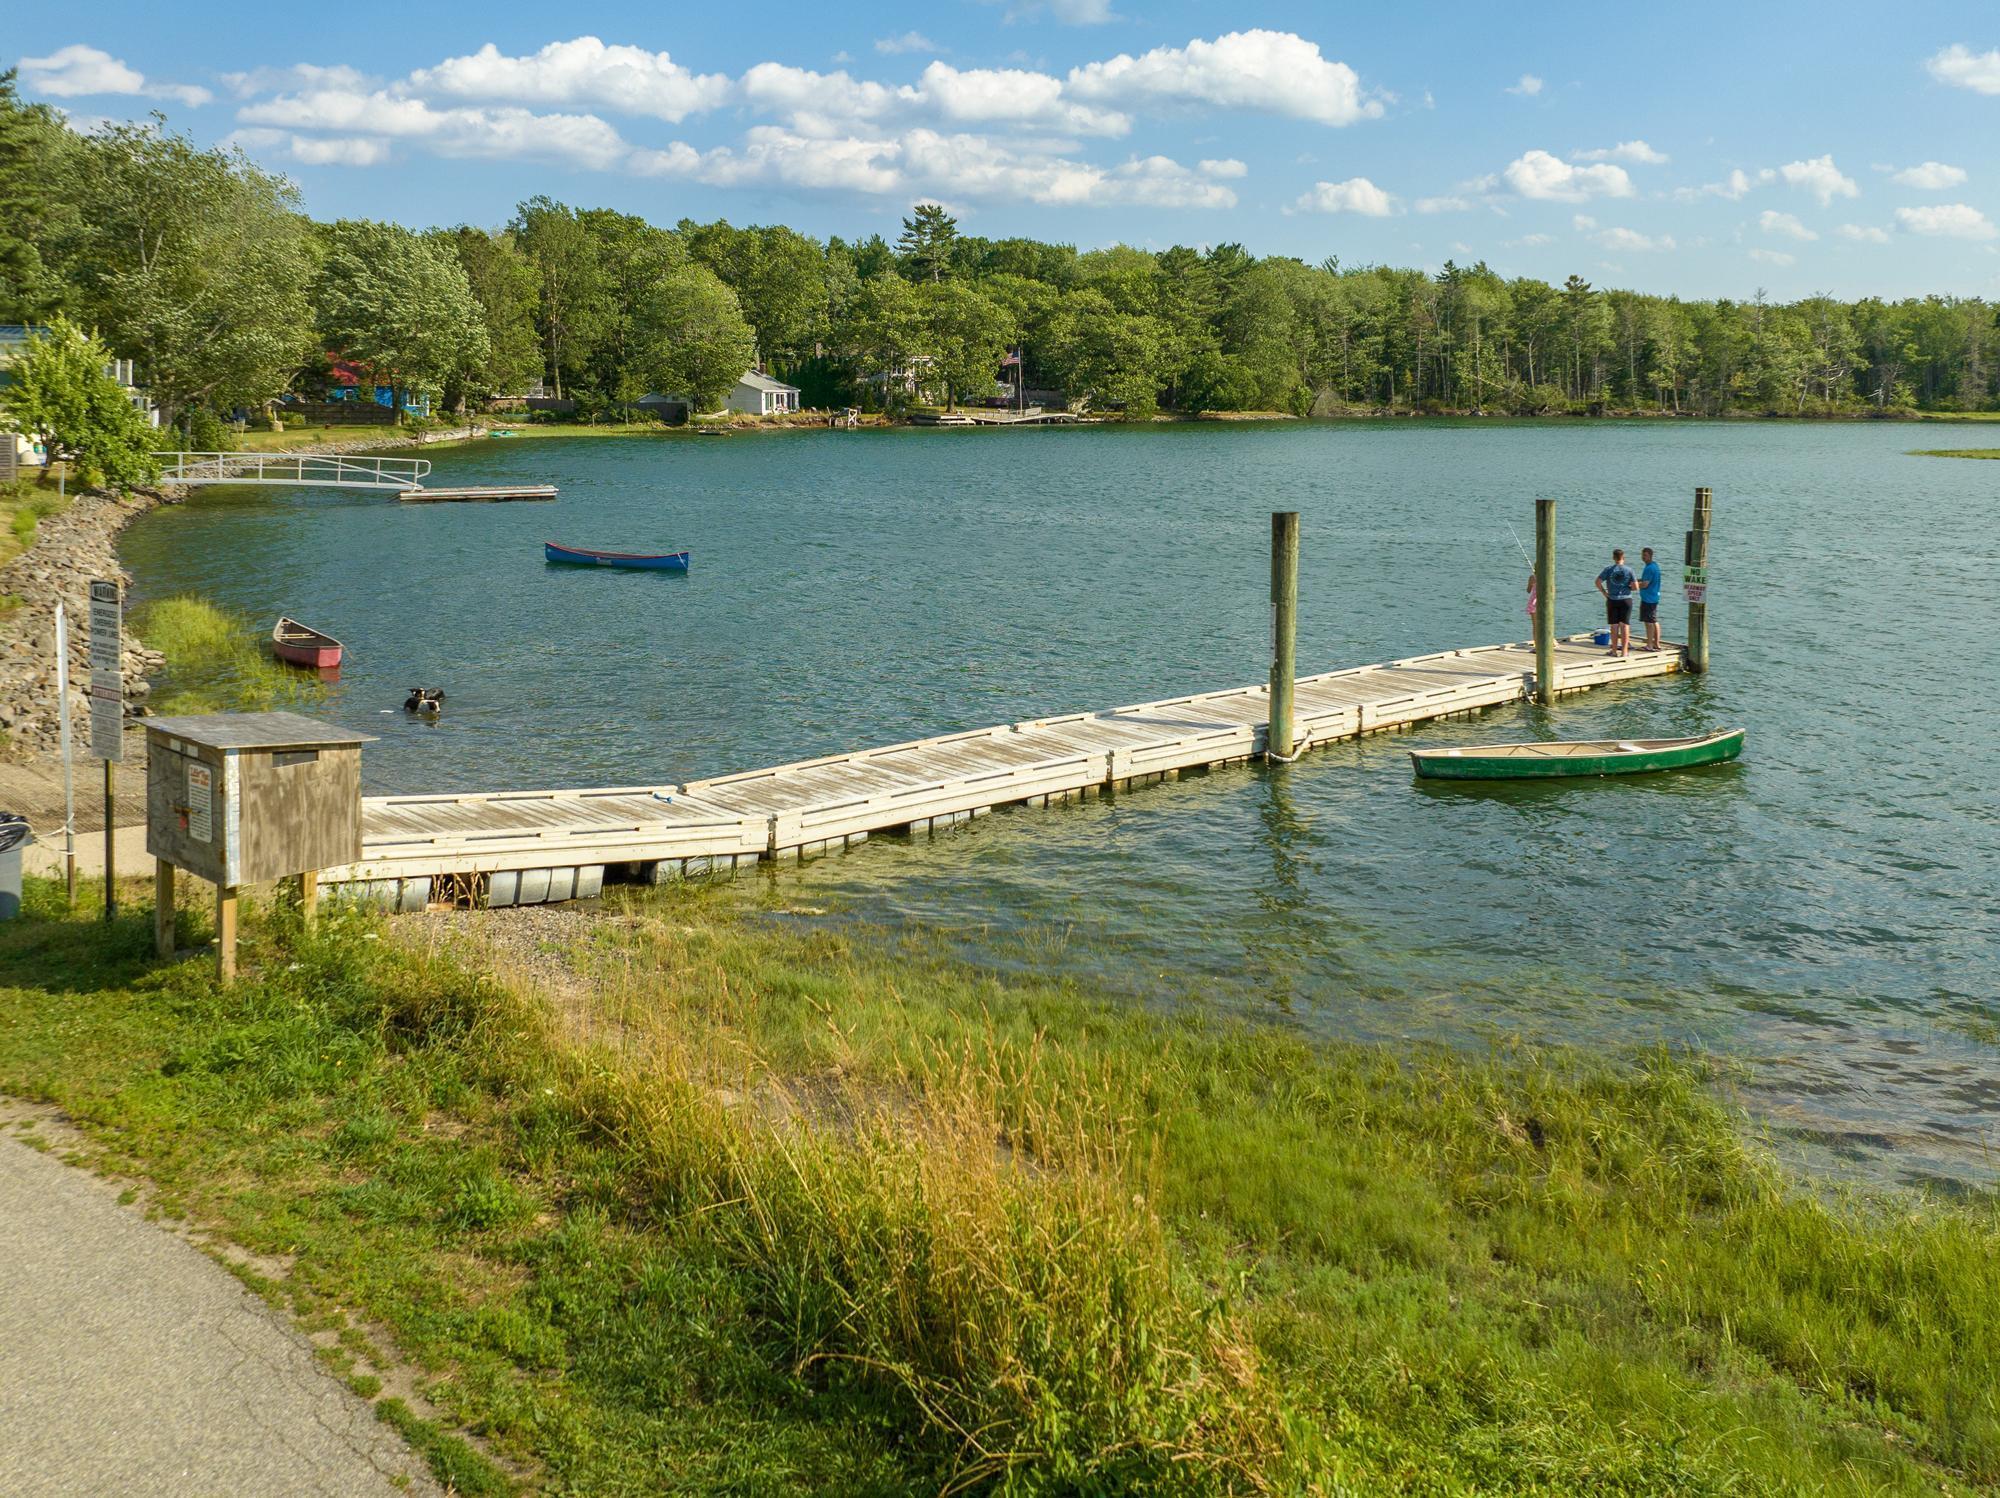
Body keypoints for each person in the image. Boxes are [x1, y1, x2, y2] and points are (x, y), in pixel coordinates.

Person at [1594, 548, 1636, 658]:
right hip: (1626, 600)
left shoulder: (1608, 569)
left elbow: (1597, 582)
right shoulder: (1629, 570)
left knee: (1614, 626)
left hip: (1612, 599)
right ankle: (1624, 651)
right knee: (1625, 625)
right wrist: (1628, 587)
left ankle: (1613, 650)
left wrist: (1605, 593)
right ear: (1623, 557)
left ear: (1613, 557)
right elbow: (1635, 587)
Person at [1635, 546, 1663, 652]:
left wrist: (1633, 586)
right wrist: (1635, 580)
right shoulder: (1654, 566)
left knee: (1648, 622)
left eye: (1645, 555)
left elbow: (1645, 584)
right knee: (1654, 620)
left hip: (1648, 598)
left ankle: (1649, 645)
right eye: (1642, 555)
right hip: (1653, 597)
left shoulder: (1649, 568)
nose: (1643, 557)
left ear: (1650, 556)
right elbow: (1646, 579)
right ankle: (1656, 643)